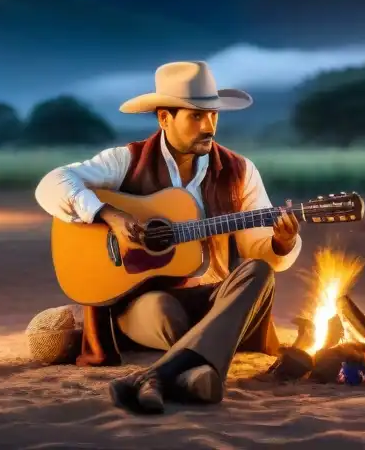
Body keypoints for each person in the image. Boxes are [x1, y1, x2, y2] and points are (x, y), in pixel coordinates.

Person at [35, 60, 302, 414]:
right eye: (196, 116)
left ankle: (159, 375)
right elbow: (52, 183)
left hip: (215, 300)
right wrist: (109, 215)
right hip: (148, 304)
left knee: (259, 272)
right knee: (163, 310)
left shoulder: (240, 171)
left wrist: (281, 244)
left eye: (213, 115)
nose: (209, 126)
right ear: (164, 118)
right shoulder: (126, 161)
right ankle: (196, 373)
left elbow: (257, 246)